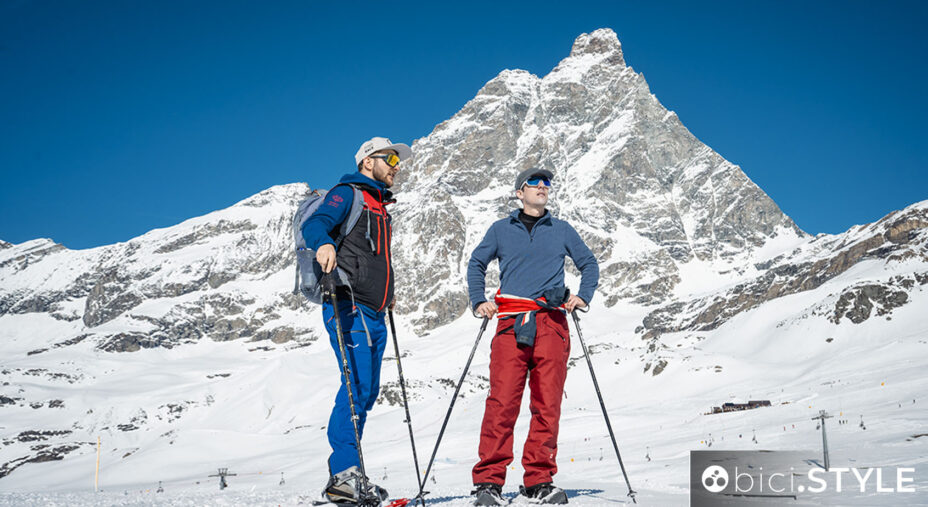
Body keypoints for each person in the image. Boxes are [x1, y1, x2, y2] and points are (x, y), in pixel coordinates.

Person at [466, 168, 600, 505]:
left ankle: (539, 479)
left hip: (552, 323)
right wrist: (479, 300)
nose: (543, 187)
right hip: (511, 323)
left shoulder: (562, 229)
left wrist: (583, 296)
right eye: (535, 183)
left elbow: (588, 263)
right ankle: (488, 483)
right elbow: (476, 264)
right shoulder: (500, 229)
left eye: (547, 183)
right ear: (519, 193)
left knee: (547, 404)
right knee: (502, 403)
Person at [301, 136, 411, 503]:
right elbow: (316, 224)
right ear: (367, 161)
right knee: (356, 387)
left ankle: (349, 476)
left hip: (375, 310)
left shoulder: (380, 206)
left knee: (366, 392)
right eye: (390, 157)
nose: (396, 164)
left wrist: (387, 292)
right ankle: (344, 473)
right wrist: (324, 244)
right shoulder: (347, 193)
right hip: (348, 304)